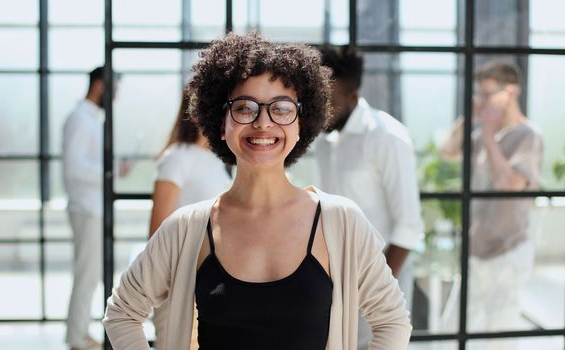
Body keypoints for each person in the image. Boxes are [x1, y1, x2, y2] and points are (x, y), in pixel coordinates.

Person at [103, 32, 411, 350]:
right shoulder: (187, 227)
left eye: (281, 109)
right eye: (245, 107)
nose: (263, 123)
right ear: (221, 123)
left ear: (300, 124)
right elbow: (122, 313)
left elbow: (392, 322)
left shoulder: (341, 221)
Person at [316, 45, 423, 349]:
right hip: (336, 280)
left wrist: (371, 286)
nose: (322, 111)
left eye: (330, 102)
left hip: (380, 281)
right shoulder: (325, 142)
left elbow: (409, 227)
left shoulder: (386, 136)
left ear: (352, 97)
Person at [440, 61, 543, 340]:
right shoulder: (483, 134)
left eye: (487, 94)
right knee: (451, 331)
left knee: (500, 337)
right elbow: (447, 151)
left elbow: (510, 184)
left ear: (510, 93)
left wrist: (487, 134)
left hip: (507, 252)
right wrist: (469, 116)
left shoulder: (528, 136)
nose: (482, 100)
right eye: (479, 94)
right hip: (477, 251)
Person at [148, 87, 231, 349]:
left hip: (212, 282)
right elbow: (157, 228)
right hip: (180, 284)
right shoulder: (177, 158)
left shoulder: (215, 160)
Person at [62, 67, 130, 350]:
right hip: (86, 208)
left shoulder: (89, 119)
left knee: (89, 275)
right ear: (100, 85)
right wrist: (109, 171)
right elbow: (74, 167)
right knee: (86, 275)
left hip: (92, 208)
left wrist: (114, 169)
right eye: (113, 89)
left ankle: (78, 334)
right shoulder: (80, 119)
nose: (115, 97)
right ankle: (76, 337)